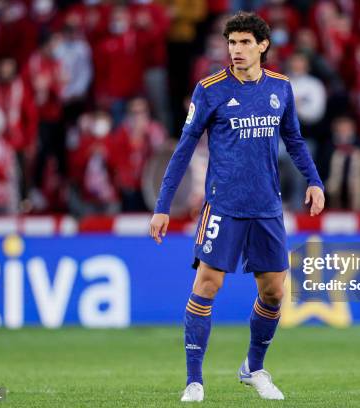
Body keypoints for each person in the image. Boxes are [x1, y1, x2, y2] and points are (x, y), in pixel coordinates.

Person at [148, 12, 324, 402]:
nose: (236, 50)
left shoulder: (280, 87)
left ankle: (253, 368)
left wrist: (314, 180)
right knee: (207, 285)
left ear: (263, 45)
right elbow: (183, 149)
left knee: (275, 292)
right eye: (232, 43)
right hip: (224, 206)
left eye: (245, 42)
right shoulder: (209, 89)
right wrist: (163, 204)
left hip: (266, 206)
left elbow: (294, 139)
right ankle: (194, 380)